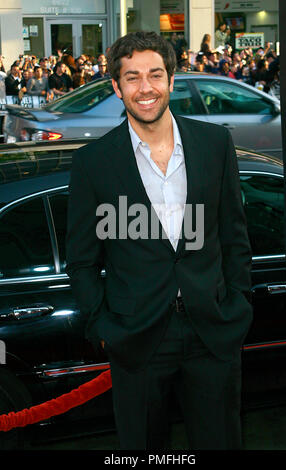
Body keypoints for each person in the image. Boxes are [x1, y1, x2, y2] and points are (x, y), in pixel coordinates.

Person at [65, 31, 253, 450]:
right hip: (137, 339)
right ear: (116, 87)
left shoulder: (215, 144)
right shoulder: (93, 163)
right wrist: (104, 327)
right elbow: (80, 260)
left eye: (155, 74)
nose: (145, 87)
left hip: (213, 332)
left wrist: (238, 304)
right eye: (132, 77)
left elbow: (235, 236)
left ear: (171, 80)